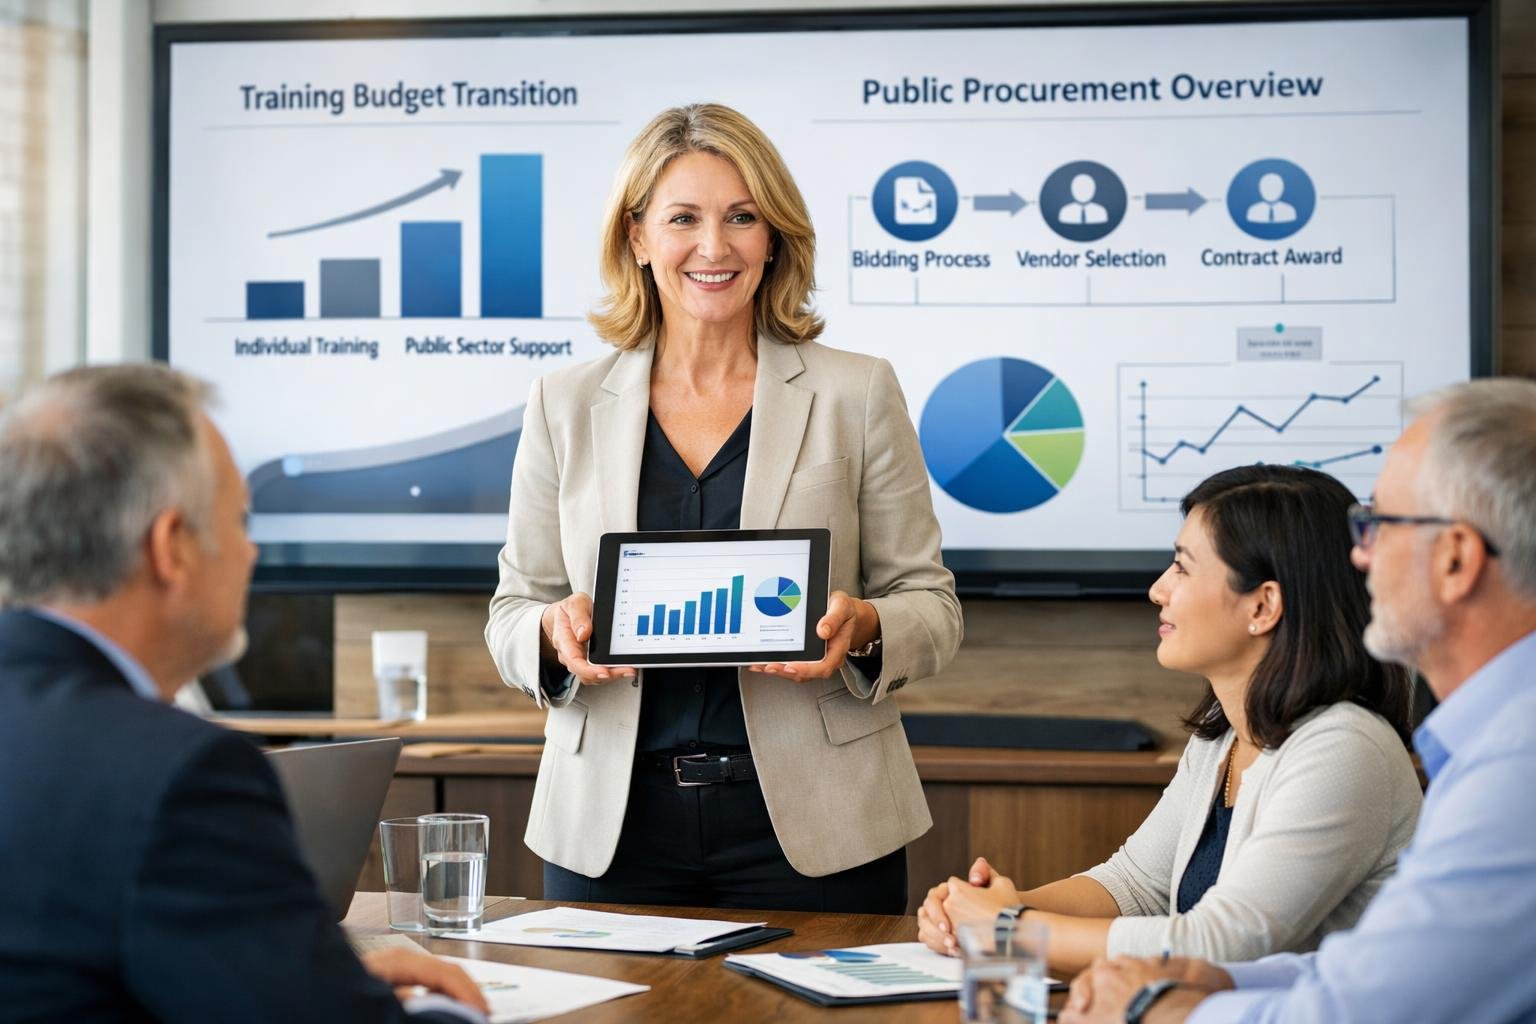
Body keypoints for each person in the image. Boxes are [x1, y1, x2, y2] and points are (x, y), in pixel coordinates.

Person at [485, 103, 961, 913]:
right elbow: (510, 610)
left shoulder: (857, 390)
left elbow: (933, 604)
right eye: (684, 219)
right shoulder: (561, 403)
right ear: (637, 238)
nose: (715, 247)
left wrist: (866, 626)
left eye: (741, 217)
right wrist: (548, 632)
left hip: (821, 824)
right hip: (612, 825)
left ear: (772, 236)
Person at [0, 366, 489, 1023]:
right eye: (237, 520)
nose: (252, 552)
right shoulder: (178, 774)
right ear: (172, 546)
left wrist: (291, 968)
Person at [1059, 377, 1536, 1024]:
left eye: (1379, 526)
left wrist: (1168, 1009)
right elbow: (1375, 966)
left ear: (1455, 558)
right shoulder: (1487, 746)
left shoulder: (1513, 767)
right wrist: (1209, 982)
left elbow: (1374, 1007)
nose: (1360, 558)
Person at [919, 465, 1421, 975]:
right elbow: (1136, 886)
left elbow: (1224, 943)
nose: (1158, 590)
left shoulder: (1345, 749)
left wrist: (1009, 929)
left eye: (1182, 568)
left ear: (1264, 605)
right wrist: (989, 909)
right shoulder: (1224, 737)